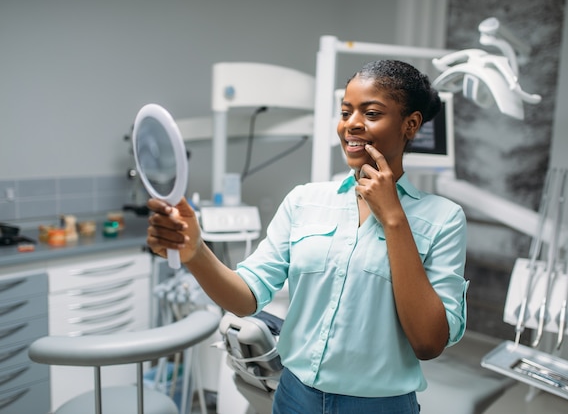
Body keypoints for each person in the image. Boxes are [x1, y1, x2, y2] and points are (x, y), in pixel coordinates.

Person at [146, 59, 468, 413]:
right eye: (345, 112)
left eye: (371, 113)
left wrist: (393, 219)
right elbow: (245, 299)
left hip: (379, 406)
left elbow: (428, 343)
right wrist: (195, 252)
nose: (352, 125)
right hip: (294, 397)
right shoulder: (305, 200)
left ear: (410, 124)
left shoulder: (443, 219)